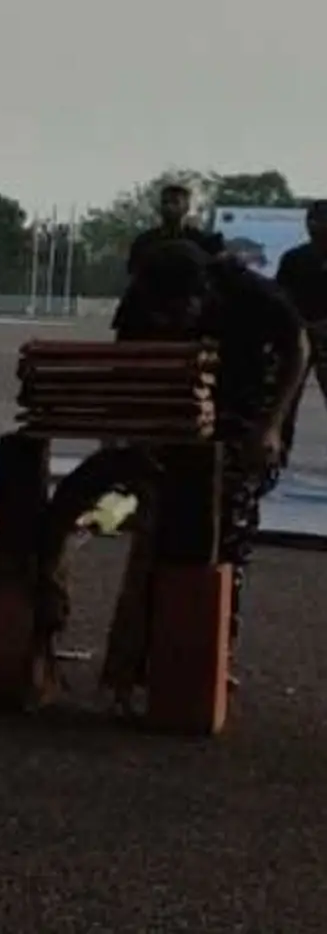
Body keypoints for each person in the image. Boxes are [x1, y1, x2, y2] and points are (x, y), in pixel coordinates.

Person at [111, 241, 310, 655]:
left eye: (178, 312)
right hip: (179, 412)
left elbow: (299, 348)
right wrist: (123, 429)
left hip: (249, 411)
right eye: (160, 314)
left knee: (225, 527)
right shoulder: (143, 295)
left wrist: (270, 427)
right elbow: (125, 360)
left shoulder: (251, 294)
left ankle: (215, 648)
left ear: (203, 293)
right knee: (163, 523)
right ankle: (155, 648)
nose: (168, 321)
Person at [273, 200, 327, 449]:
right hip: (298, 336)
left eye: (320, 220)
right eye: (310, 220)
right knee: (286, 399)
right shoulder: (294, 258)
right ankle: (278, 456)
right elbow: (281, 297)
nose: (313, 225)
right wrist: (298, 325)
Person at [124, 182, 226, 278]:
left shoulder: (204, 241)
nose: (169, 207)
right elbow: (133, 270)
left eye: (175, 202)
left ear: (186, 207)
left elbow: (218, 268)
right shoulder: (145, 241)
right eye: (165, 202)